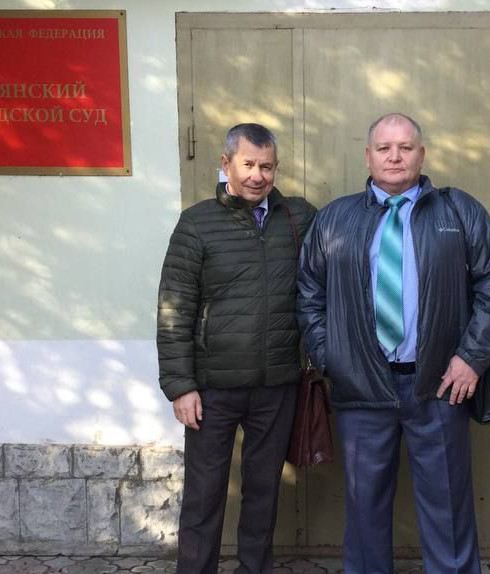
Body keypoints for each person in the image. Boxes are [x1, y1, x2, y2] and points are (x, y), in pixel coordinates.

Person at [296, 112, 490, 574]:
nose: (394, 156)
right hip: (360, 388)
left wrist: (471, 358)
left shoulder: (460, 212)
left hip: (439, 385)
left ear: (422, 154)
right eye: (384, 148)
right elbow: (309, 293)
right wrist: (332, 358)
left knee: (448, 508)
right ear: (368, 156)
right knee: (364, 510)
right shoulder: (335, 218)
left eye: (405, 147)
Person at [157, 123, 316, 574]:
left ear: (276, 167)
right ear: (226, 163)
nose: (257, 176)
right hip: (212, 389)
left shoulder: (298, 217)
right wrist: (180, 386)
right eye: (248, 164)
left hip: (276, 385)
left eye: (266, 166)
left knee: (263, 494)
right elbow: (174, 309)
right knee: (204, 495)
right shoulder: (196, 223)